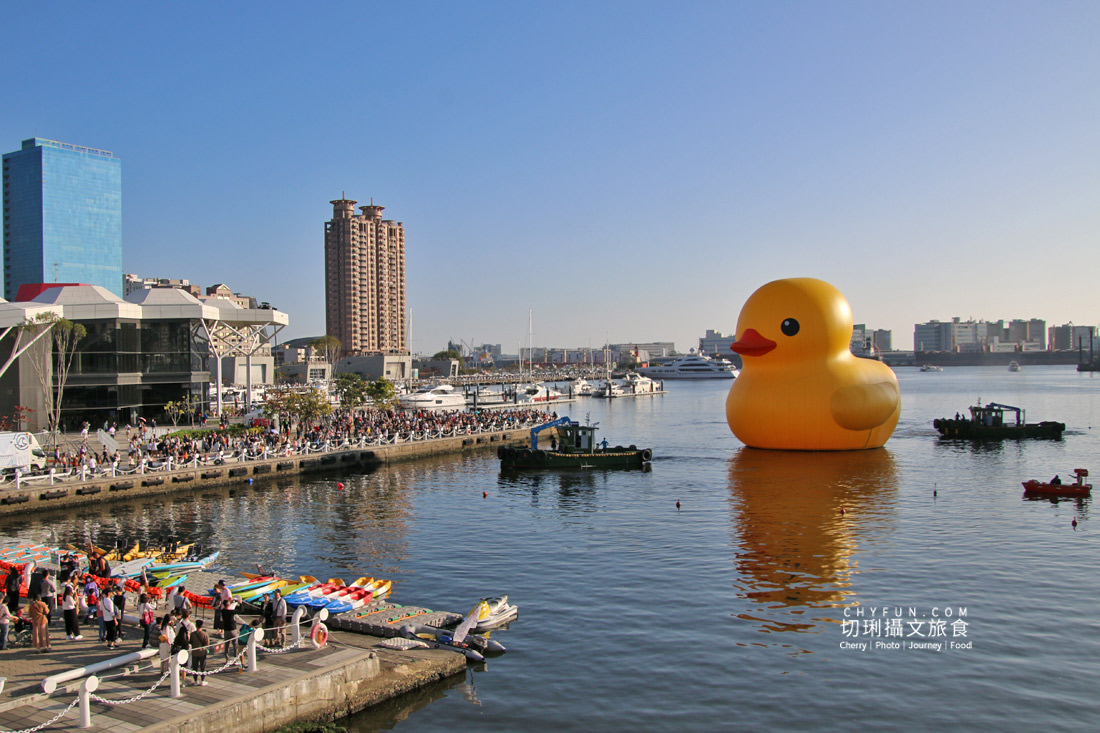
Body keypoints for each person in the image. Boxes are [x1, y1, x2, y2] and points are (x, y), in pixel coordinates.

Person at [190, 620, 210, 686]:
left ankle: (195, 680)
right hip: (202, 652)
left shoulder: (192, 634)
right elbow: (207, 644)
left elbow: (190, 642)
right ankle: (203, 680)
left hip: (195, 652)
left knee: (195, 667)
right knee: (202, 667)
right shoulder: (205, 634)